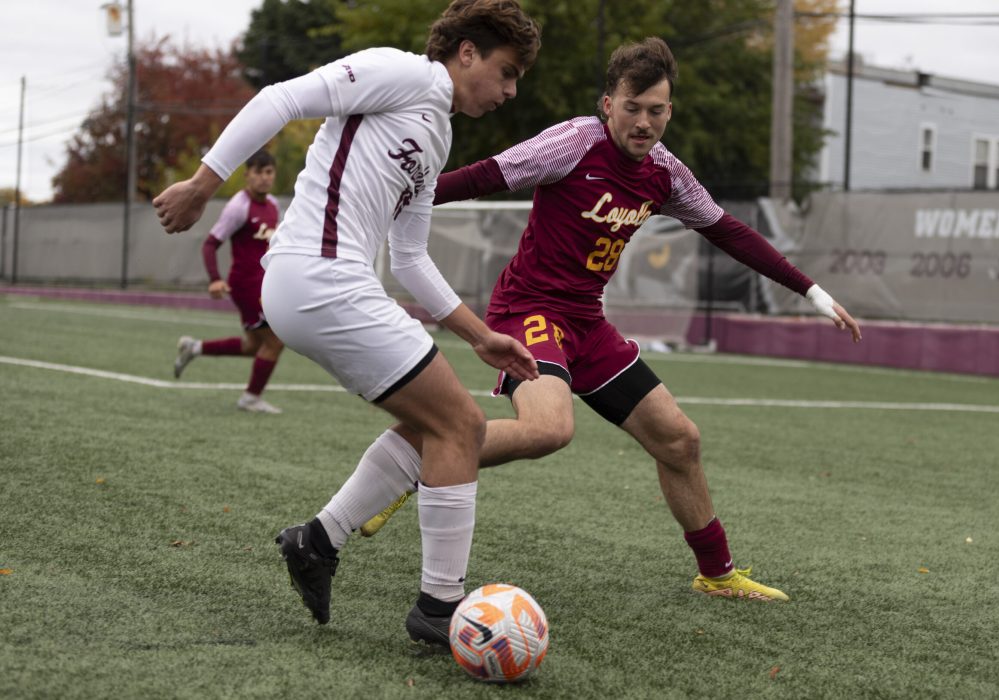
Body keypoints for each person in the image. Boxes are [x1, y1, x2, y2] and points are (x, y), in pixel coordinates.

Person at [355, 37, 863, 604]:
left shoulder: (666, 174)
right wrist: (390, 200)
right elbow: (480, 178)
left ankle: (717, 574)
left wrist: (811, 290)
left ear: (670, 111)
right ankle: (428, 460)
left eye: (657, 110)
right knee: (550, 429)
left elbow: (729, 231)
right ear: (608, 104)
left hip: (587, 325)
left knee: (680, 440)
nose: (644, 123)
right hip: (529, 311)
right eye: (632, 107)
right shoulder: (573, 143)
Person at [152, 0, 541, 644]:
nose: (510, 89)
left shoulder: (438, 134)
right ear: (466, 52)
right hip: (319, 275)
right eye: (506, 71)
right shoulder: (403, 70)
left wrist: (480, 336)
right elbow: (280, 99)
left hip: (326, 284)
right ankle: (438, 609)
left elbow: (409, 257)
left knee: (434, 425)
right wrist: (203, 182)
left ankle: (317, 542)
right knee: (463, 424)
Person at [173, 149, 286, 414]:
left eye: (269, 172)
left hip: (264, 284)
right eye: (258, 172)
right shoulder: (239, 206)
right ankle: (250, 398)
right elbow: (211, 244)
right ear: (247, 175)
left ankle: (194, 347)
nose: (264, 178)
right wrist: (214, 279)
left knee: (252, 346)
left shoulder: (273, 205)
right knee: (275, 341)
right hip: (245, 285)